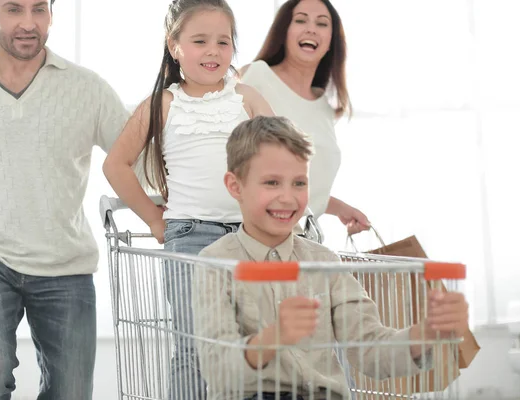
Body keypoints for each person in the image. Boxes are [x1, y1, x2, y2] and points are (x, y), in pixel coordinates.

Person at [0, 0, 131, 398]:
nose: (29, 23)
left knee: (71, 392)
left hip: (65, 261)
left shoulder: (87, 88)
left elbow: (137, 162)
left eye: (40, 9)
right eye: (15, 10)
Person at [192, 116, 469, 400]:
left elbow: (370, 349)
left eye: (299, 183)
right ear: (235, 186)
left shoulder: (324, 263)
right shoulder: (215, 264)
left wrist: (426, 332)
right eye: (272, 182)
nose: (288, 198)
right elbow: (217, 369)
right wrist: (273, 338)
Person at [102, 1, 274, 399]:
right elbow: (116, 165)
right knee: (194, 345)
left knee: (258, 343)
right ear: (174, 45)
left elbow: (280, 156)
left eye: (223, 41)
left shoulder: (246, 98)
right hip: (190, 239)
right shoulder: (163, 104)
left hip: (251, 239)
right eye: (199, 41)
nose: (213, 51)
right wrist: (153, 219)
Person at [239, 0, 370, 237]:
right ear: (284, 31)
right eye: (300, 20)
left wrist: (340, 208)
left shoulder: (324, 106)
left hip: (305, 243)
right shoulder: (256, 77)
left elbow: (300, 181)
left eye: (322, 23)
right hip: (258, 241)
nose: (311, 28)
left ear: (331, 41)